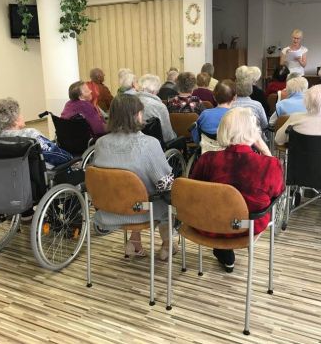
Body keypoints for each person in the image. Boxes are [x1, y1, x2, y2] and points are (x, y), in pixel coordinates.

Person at [190, 107, 284, 273]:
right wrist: (264, 150)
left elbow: (195, 190)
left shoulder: (207, 159)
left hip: (209, 224)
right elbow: (276, 192)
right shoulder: (269, 165)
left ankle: (223, 251)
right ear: (253, 133)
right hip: (247, 227)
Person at [91, 95, 177, 260]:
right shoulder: (148, 144)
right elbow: (164, 184)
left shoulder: (100, 143)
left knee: (132, 190)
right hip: (141, 211)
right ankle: (167, 245)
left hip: (108, 209)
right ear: (137, 115)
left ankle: (135, 242)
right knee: (167, 201)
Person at [0, 98, 72, 167]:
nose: (22, 115)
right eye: (19, 113)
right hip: (39, 180)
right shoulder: (29, 134)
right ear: (15, 120)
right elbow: (56, 154)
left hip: (9, 182)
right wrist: (70, 158)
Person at [191, 80, 237, 153]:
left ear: (214, 97)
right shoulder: (236, 116)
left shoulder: (205, 114)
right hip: (230, 157)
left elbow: (196, 137)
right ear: (234, 98)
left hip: (207, 155)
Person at [137, 74, 177, 142]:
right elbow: (168, 136)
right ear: (153, 91)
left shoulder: (129, 102)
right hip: (155, 145)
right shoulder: (159, 107)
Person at [232, 66, 268, 132]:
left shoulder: (229, 103)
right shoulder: (258, 102)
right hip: (254, 135)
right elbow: (265, 125)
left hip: (234, 134)